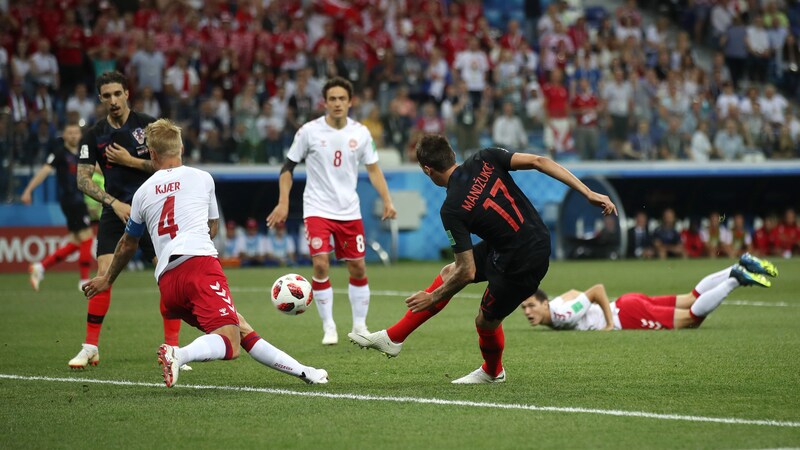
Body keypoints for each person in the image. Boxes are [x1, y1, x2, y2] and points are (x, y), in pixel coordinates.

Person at [349, 134, 616, 383]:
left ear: (427, 170)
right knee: (447, 272)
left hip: (520, 263)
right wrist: (588, 193)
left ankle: (492, 372)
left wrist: (433, 297)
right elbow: (539, 161)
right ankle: (394, 338)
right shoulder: (485, 157)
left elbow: (467, 271)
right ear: (452, 154)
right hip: (532, 239)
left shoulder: (451, 208)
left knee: (484, 321)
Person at [82, 119, 328, 388]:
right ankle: (178, 353)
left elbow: (127, 244)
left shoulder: (142, 193)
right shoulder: (202, 178)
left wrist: (107, 279)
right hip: (198, 266)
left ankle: (306, 372)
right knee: (230, 343)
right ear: (182, 147)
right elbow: (212, 228)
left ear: (152, 154)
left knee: (239, 327)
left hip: (167, 282)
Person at [266, 77, 397, 345]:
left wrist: (387, 199)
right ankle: (329, 326)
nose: (337, 103)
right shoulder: (308, 132)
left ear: (350, 102)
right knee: (320, 263)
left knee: (358, 267)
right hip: (317, 208)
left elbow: (373, 169)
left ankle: (359, 325)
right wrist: (283, 202)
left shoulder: (360, 133)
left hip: (349, 210)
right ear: (324, 102)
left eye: (342, 99)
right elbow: (286, 169)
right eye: (332, 99)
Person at [74, 71, 181, 369]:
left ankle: (173, 349)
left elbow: (170, 164)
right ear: (100, 99)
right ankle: (90, 346)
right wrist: (113, 202)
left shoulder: (149, 125)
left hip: (153, 209)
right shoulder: (93, 134)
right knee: (104, 273)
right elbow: (82, 180)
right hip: (115, 209)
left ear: (127, 94)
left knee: (168, 279)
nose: (113, 100)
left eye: (117, 94)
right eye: (106, 96)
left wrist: (130, 161)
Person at [520, 253, 778, 331]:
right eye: (524, 308)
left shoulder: (561, 315)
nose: (528, 312)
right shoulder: (556, 303)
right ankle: (736, 265)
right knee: (690, 298)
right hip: (627, 304)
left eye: (531, 305)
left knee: (690, 319)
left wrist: (608, 324)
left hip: (627, 315)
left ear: (544, 303)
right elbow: (576, 292)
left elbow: (595, 290)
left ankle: (735, 279)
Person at [21, 122, 94, 291]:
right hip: (71, 201)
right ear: (65, 135)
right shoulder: (60, 153)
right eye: (70, 132)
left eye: (76, 132)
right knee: (87, 237)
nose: (73, 135)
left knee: (76, 243)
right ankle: (83, 281)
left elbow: (95, 169)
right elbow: (44, 171)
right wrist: (28, 190)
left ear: (80, 135)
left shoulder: (82, 154)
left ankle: (40, 267)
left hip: (78, 199)